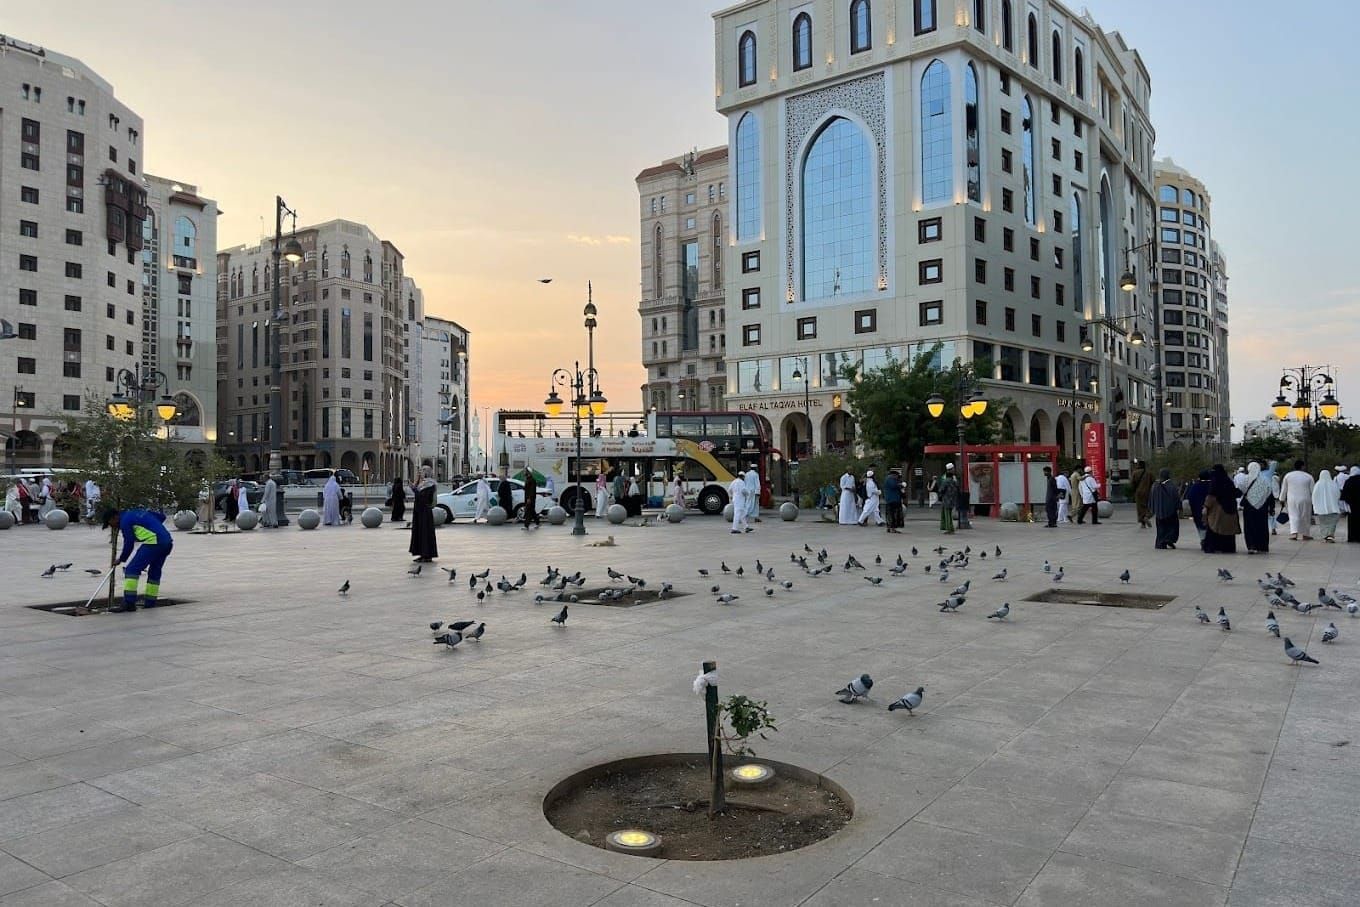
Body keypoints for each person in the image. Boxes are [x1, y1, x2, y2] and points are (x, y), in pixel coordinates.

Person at [104, 504, 173, 612]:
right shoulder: (137, 512)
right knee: (154, 572)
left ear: (114, 517)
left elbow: (129, 543)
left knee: (131, 570)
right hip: (167, 542)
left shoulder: (124, 521)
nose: (112, 527)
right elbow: (162, 517)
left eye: (110, 524)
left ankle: (129, 603)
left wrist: (121, 559)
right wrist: (153, 526)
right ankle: (150, 603)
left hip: (154, 542)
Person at [1201, 464, 1240, 554]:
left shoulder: (1215, 482)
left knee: (1214, 528)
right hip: (1230, 510)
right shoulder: (1229, 482)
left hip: (1218, 511)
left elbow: (1211, 496)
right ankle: (1228, 548)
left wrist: (1206, 507)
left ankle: (1212, 547)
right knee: (1228, 531)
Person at [1240, 462, 1273, 554]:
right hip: (1262, 507)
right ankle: (1262, 546)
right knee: (1262, 526)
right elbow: (1269, 493)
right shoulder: (1265, 480)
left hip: (1248, 507)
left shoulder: (1245, 479)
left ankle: (1251, 546)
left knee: (1249, 526)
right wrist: (1271, 507)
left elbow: (1241, 490)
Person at [1279, 460, 1315, 541]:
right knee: (1305, 516)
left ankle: (1294, 534)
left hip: (1292, 499)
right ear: (1302, 466)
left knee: (1293, 516)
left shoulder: (1288, 476)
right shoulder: (1308, 476)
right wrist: (1314, 501)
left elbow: (1284, 488)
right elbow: (1313, 490)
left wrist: (1282, 499)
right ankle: (1305, 534)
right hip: (1306, 499)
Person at [409, 465, 439, 561]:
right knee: (420, 533)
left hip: (424, 512)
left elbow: (423, 498)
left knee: (425, 533)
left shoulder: (430, 484)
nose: (420, 473)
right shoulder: (423, 484)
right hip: (420, 511)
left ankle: (427, 555)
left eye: (422, 471)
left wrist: (414, 489)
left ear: (426, 472)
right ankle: (422, 554)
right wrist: (415, 485)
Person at [1149, 468, 1182, 550]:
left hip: (1159, 512)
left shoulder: (1155, 486)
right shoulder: (1172, 486)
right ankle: (1168, 539)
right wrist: (1179, 507)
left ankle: (1160, 542)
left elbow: (1151, 498)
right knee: (1172, 527)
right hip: (1170, 511)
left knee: (1160, 528)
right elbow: (1176, 498)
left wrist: (1153, 509)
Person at [1313, 468, 1341, 543]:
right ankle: (1330, 535)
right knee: (1332, 522)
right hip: (1333, 507)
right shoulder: (1333, 484)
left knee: (1323, 523)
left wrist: (1315, 505)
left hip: (1321, 508)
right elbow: (1338, 494)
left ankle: (1325, 535)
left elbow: (1314, 496)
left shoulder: (1317, 484)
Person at [1186, 469, 1212, 543]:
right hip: (1210, 510)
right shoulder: (1212, 485)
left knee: (1201, 526)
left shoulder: (1195, 486)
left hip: (1197, 510)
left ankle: (1203, 539)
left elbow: (1190, 497)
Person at [1340, 467, 1360, 543]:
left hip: (1352, 506)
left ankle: (1351, 537)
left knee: (1352, 522)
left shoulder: (1348, 481)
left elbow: (1345, 494)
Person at [1131, 460, 1153, 528]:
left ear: (1139, 465)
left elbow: (1132, 483)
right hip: (1147, 492)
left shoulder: (1135, 473)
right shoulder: (1149, 473)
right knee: (1148, 506)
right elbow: (1153, 482)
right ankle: (1147, 516)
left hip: (1138, 492)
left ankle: (1143, 523)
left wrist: (1134, 491)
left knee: (1140, 508)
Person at [939, 464, 958, 533]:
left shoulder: (945, 480)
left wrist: (940, 496)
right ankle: (950, 527)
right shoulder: (954, 480)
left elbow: (941, 489)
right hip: (952, 499)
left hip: (946, 499)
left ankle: (948, 528)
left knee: (947, 514)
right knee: (949, 513)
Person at [883, 468, 903, 533]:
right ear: (894, 475)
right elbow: (894, 486)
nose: (897, 477)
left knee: (891, 514)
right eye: (897, 476)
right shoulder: (890, 479)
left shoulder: (890, 479)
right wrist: (900, 485)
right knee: (892, 514)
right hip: (892, 500)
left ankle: (890, 527)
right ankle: (892, 528)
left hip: (892, 500)